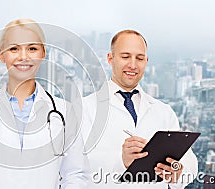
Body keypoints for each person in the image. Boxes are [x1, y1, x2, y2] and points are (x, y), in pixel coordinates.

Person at [0, 19, 89, 189]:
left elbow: (76, 174)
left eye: (32, 49)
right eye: (14, 49)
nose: (23, 56)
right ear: (2, 55)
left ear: (43, 53)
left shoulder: (64, 111)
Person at [81, 30, 198, 188]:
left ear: (146, 61)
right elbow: (74, 169)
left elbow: (188, 160)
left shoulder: (163, 111)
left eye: (140, 58)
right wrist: (121, 162)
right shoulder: (85, 108)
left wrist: (178, 172)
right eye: (125, 56)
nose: (133, 65)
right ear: (110, 58)